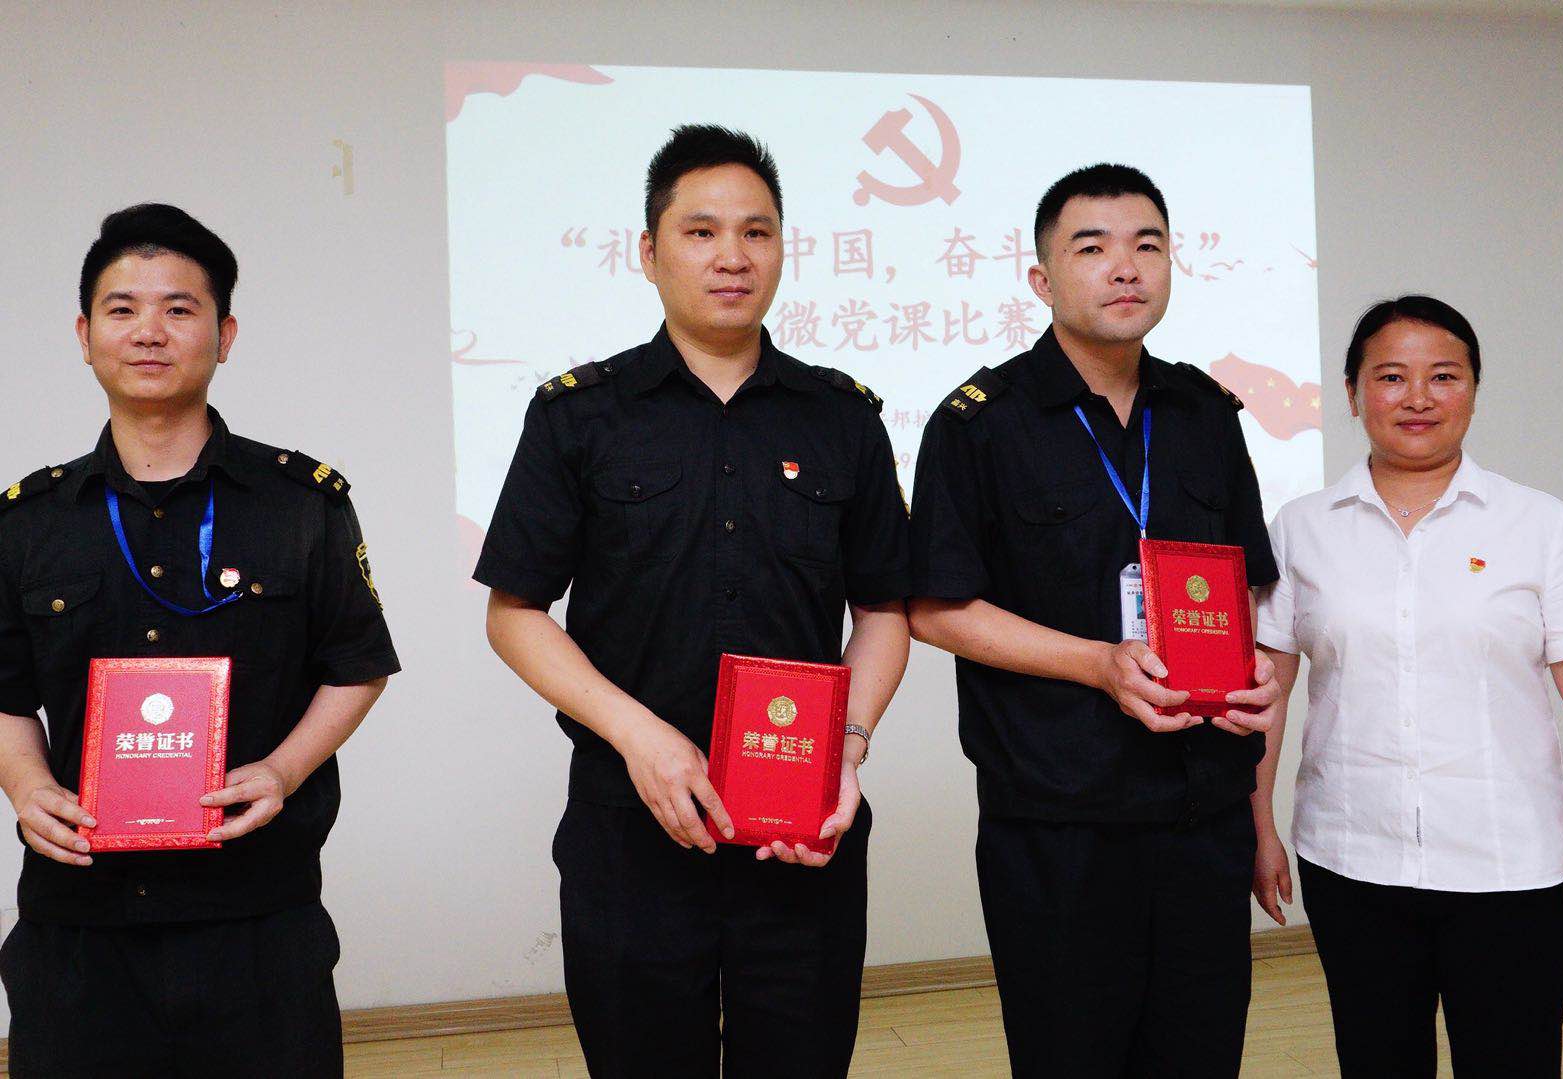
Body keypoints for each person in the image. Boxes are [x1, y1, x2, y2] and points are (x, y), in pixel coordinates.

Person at [474, 125, 910, 1077]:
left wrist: (845, 749)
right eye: (701, 231)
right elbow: (514, 613)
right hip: (629, 830)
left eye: (756, 232)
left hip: (800, 829)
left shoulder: (842, 417)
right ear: (649, 251)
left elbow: (884, 610)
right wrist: (642, 737)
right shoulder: (579, 414)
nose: (731, 256)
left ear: (782, 249)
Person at [0, 203, 399, 1075]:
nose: (150, 331)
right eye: (122, 308)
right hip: (79, 924)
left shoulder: (301, 504)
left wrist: (283, 769)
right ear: (84, 335)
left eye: (179, 308)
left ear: (225, 335)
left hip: (257, 916)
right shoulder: (28, 521)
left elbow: (357, 665)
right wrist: (26, 784)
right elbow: (4, 690)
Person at [907, 163, 1280, 1077]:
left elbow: (1244, 586)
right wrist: (1096, 663)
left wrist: (1253, 669)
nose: (1125, 267)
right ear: (1041, 279)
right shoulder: (978, 422)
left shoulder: (1203, 412)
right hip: (1058, 820)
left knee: (1199, 1056)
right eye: (1093, 247)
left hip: (1201, 810)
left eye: (1147, 245)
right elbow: (937, 609)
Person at [1252, 295, 1563, 1077]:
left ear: (1473, 389)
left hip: (1509, 867)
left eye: (1444, 376)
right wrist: (1256, 824)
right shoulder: (1301, 527)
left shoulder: (1539, 524)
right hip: (1350, 859)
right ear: (1353, 392)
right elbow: (1266, 690)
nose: (1418, 397)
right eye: (1390, 376)